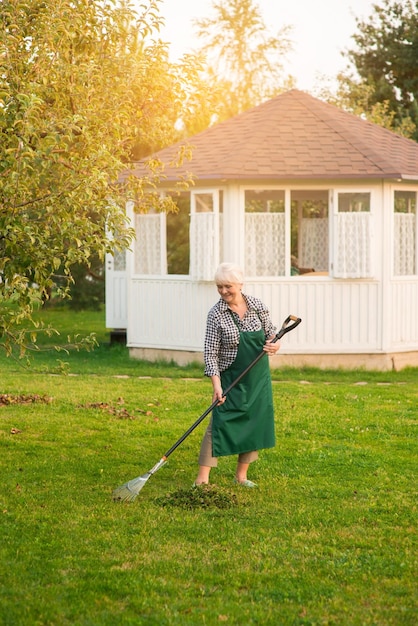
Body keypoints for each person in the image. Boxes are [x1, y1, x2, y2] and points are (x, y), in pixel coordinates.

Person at [194, 262, 281, 488]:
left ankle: (241, 476)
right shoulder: (216, 314)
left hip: (257, 377)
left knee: (253, 421)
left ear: (240, 284)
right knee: (219, 422)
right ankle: (202, 479)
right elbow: (210, 354)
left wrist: (274, 345)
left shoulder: (257, 306)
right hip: (230, 376)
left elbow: (271, 335)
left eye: (228, 286)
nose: (224, 291)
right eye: (219, 287)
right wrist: (217, 385)